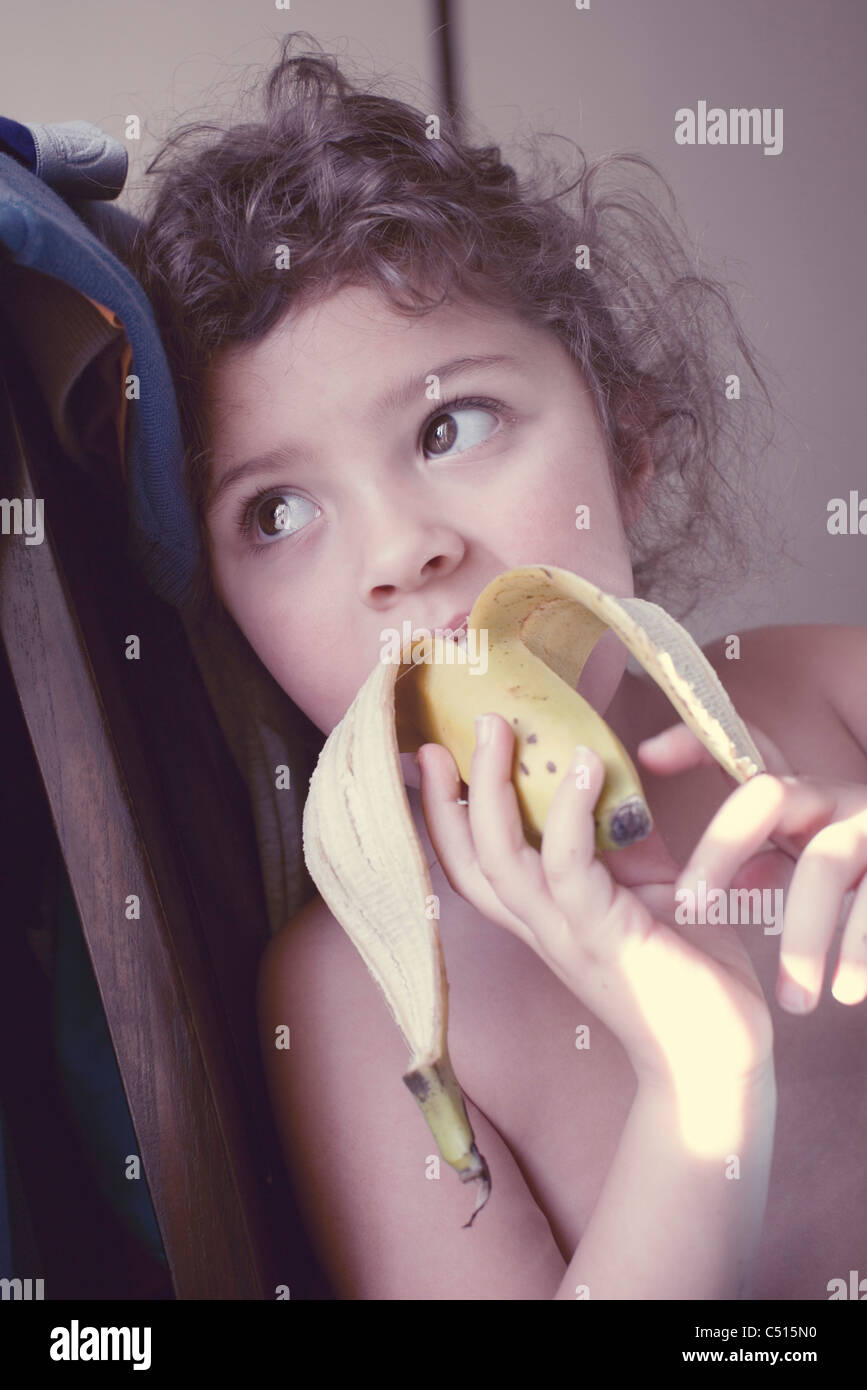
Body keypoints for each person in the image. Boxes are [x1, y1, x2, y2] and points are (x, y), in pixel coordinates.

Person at [128, 32, 867, 1300]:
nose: (404, 553)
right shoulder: (360, 1012)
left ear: (626, 440)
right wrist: (702, 1075)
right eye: (277, 512)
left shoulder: (838, 694)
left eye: (447, 424)